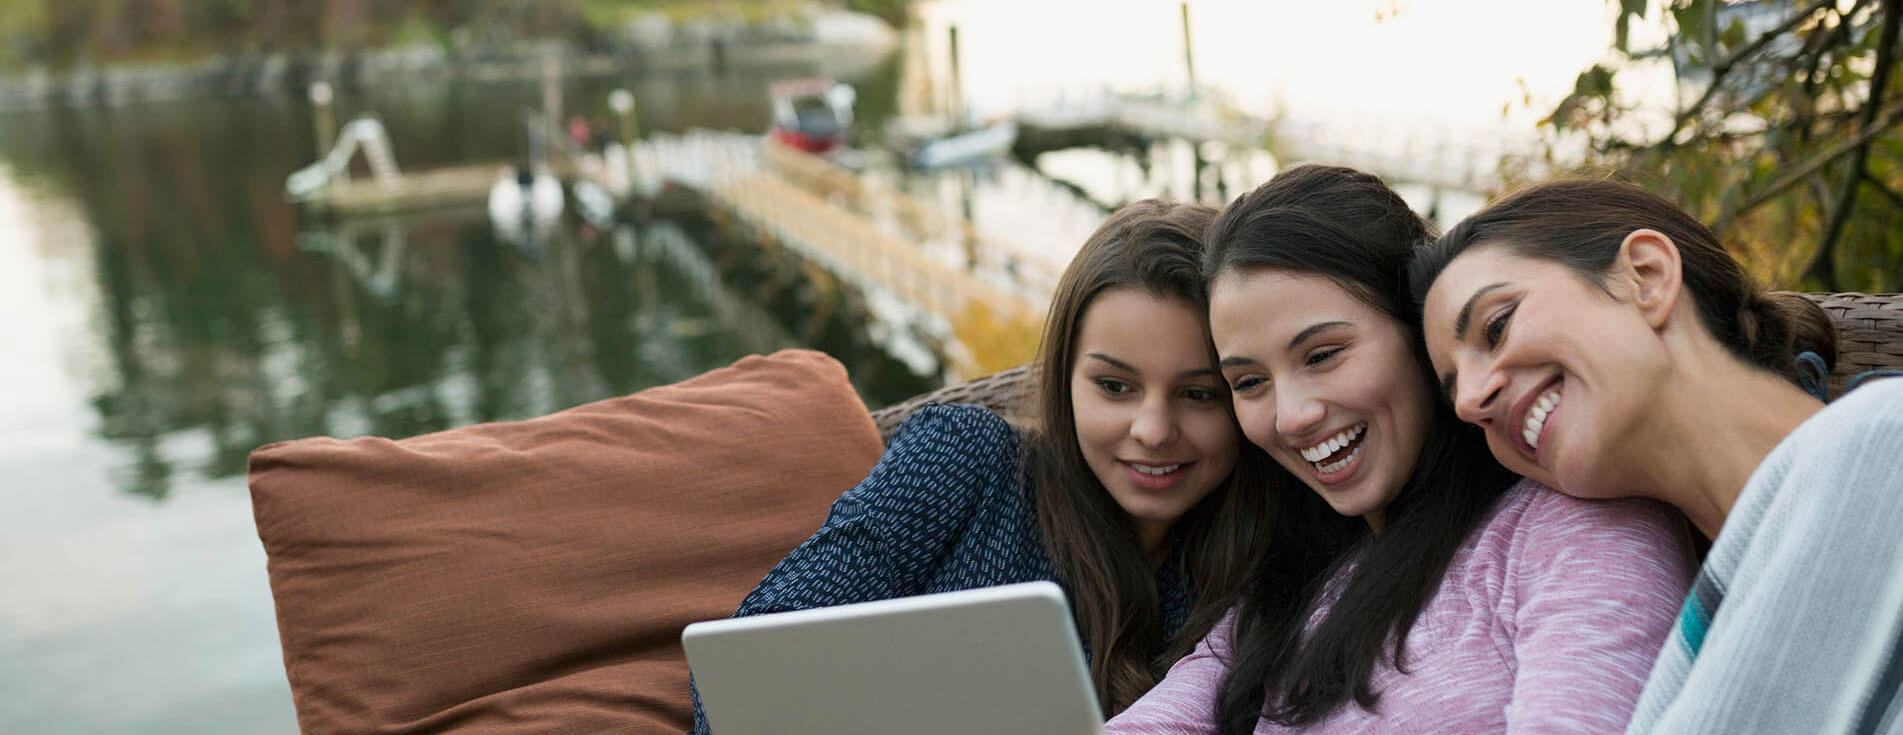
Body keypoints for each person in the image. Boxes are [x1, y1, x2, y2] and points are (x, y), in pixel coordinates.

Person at [689, 200, 1319, 732]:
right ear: (1064, 381)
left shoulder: (1263, 557)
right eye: (1114, 387)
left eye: (1199, 393)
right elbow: (742, 675)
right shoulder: (964, 458)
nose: (1152, 432)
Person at [1107, 166, 1694, 734]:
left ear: (1421, 333)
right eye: (1250, 382)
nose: (1292, 416)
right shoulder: (1281, 590)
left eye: (1321, 355)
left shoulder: (1573, 529)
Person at [1411, 178, 1903, 733]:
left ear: (1646, 275)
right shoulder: (1696, 659)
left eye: (1497, 326)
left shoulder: (1885, 444)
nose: (1472, 402)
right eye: (1455, 393)